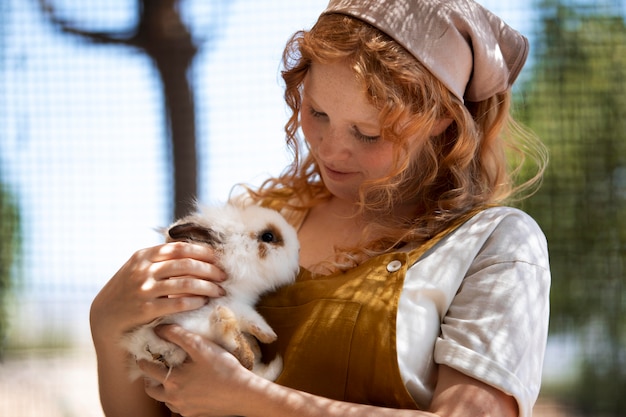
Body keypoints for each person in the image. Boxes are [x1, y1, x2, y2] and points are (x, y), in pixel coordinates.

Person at [89, 0, 550, 416]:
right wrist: (108, 320)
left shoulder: (493, 245)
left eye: (367, 133)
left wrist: (247, 398)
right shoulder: (260, 223)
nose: (330, 150)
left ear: (442, 120)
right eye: (316, 112)